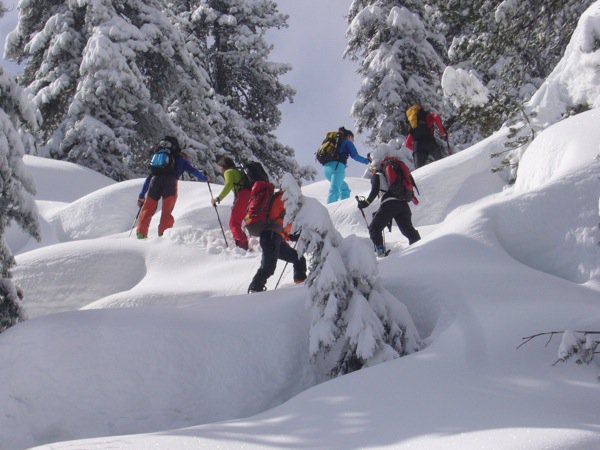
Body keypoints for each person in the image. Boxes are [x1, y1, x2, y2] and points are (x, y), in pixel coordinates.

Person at [136, 136, 207, 239]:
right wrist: (205, 178)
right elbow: (193, 171)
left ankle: (141, 234)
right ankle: (163, 236)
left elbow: (149, 178)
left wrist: (142, 195)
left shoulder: (158, 158)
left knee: (148, 207)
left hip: (154, 180)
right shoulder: (180, 159)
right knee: (166, 210)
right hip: (170, 182)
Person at [357, 156, 420, 256]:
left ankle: (381, 254)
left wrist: (365, 203)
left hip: (389, 204)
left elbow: (374, 191)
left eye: (371, 169)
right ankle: (421, 248)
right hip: (403, 205)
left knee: (374, 228)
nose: (371, 172)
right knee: (408, 230)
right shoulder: (390, 175)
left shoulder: (377, 175)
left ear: (375, 167)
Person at [247, 192, 307, 293]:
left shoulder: (278, 198)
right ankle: (254, 289)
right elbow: (281, 221)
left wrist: (290, 235)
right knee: (268, 267)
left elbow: (279, 222)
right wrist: (293, 234)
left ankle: (301, 286)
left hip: (274, 237)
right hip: (271, 237)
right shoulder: (284, 199)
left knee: (298, 258)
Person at [210, 156, 251, 250]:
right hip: (247, 196)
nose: (219, 169)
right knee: (240, 221)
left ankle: (243, 245)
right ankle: (244, 243)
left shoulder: (228, 172)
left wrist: (218, 199)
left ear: (224, 166)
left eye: (219, 166)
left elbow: (228, 186)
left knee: (233, 223)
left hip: (243, 196)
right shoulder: (236, 171)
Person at [322, 127, 369, 204]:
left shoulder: (335, 143)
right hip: (337, 167)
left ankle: (341, 208)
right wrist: (368, 161)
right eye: (353, 139)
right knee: (334, 190)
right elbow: (355, 156)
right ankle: (330, 212)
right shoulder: (347, 142)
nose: (353, 141)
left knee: (344, 189)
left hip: (325, 169)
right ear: (349, 136)